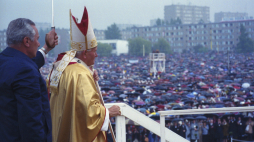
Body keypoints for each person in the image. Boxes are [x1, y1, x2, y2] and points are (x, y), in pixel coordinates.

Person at [48, 7, 120, 142]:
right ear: (85, 53)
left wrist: (90, 72)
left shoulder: (61, 65)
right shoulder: (81, 74)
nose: (97, 55)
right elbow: (89, 113)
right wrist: (108, 113)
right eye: (95, 51)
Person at [0, 18, 58, 141]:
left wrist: (46, 48)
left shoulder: (6, 61)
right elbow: (31, 123)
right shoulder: (25, 71)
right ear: (27, 41)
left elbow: (21, 65)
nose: (38, 43)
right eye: (37, 39)